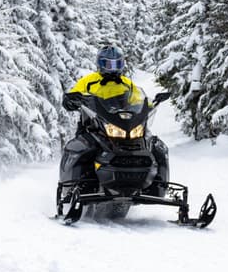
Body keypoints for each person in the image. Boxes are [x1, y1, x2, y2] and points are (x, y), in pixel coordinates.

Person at [59, 45, 169, 195]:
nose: (113, 68)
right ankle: (73, 189)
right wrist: (72, 99)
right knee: (83, 148)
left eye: (117, 64)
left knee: (156, 147)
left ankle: (157, 186)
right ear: (100, 64)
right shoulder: (89, 81)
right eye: (108, 64)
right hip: (94, 126)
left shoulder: (126, 83)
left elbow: (138, 100)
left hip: (123, 126)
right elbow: (72, 96)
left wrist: (152, 103)